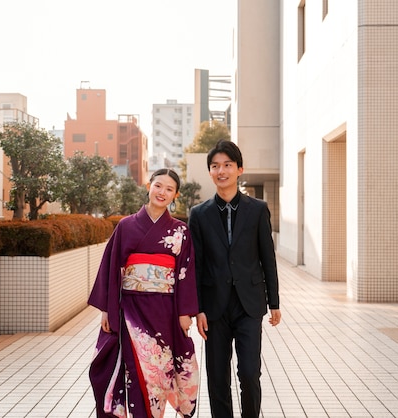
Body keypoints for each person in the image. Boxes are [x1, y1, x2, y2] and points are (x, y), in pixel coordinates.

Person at [88, 168, 199, 418]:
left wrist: (185, 313)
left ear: (175, 195)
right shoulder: (126, 226)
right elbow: (110, 267)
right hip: (131, 311)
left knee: (159, 372)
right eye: (158, 186)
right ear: (148, 186)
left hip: (165, 311)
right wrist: (107, 309)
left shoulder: (181, 231)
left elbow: (186, 273)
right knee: (135, 371)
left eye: (169, 189)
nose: (162, 192)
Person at [188, 140, 281, 418]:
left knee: (250, 373)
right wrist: (198, 309)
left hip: (249, 306)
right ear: (210, 172)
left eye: (228, 165)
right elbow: (197, 265)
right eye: (215, 166)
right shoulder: (199, 214)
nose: (222, 171)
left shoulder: (257, 209)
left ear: (239, 169)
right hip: (214, 309)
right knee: (217, 378)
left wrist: (273, 302)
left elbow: (268, 257)